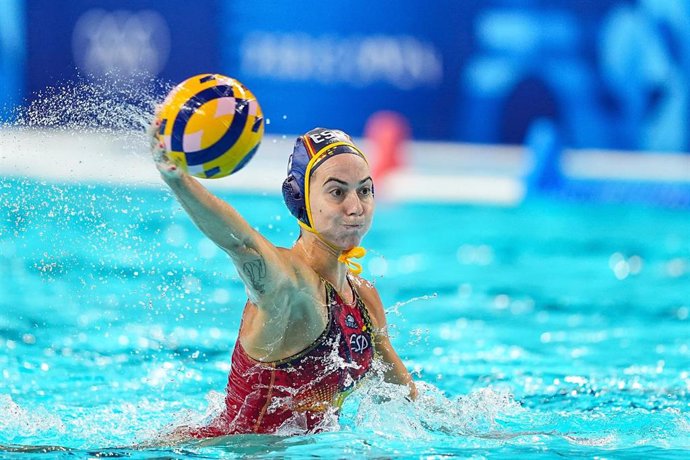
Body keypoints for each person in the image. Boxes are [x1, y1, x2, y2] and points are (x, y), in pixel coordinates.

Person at [151, 124, 417, 436]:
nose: (355, 207)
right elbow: (240, 244)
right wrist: (177, 179)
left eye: (364, 190)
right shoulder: (290, 286)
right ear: (299, 200)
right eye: (337, 192)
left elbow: (404, 399)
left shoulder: (364, 298)